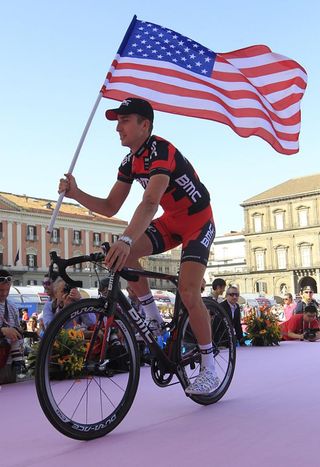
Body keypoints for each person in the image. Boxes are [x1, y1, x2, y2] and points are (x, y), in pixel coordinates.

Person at [59, 97, 218, 395]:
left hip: (198, 222)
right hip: (172, 220)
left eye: (125, 120)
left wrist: (127, 238)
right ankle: (153, 318)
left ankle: (210, 367)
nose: (118, 128)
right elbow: (109, 206)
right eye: (117, 121)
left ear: (145, 125)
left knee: (187, 290)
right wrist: (76, 193)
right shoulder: (129, 161)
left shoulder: (162, 150)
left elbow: (149, 202)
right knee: (123, 255)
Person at [0, 269, 26, 380]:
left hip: (9, 362)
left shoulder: (12, 306)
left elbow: (17, 330)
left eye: (7, 289)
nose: (4, 293)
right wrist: (2, 331)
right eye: (1, 290)